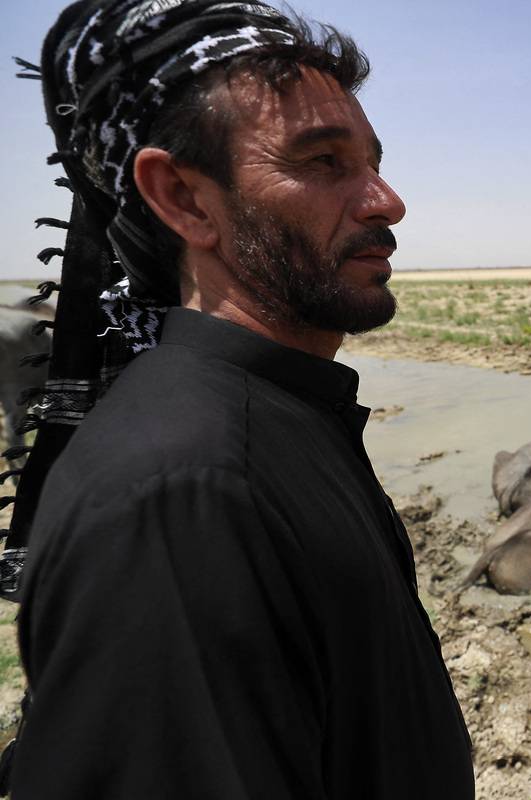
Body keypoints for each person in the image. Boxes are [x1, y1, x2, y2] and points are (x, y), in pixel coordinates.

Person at [9, 1, 474, 797]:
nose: (386, 202)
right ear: (184, 199)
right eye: (323, 161)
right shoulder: (183, 497)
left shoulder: (284, 416)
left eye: (373, 161)